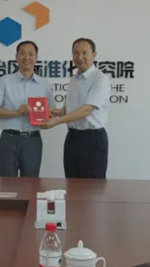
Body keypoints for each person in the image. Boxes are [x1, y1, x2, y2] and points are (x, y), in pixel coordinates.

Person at [41, 38, 111, 179]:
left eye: (84, 53)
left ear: (94, 55)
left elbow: (86, 109)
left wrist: (57, 121)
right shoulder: (74, 79)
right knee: (71, 182)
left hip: (92, 139)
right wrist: (55, 112)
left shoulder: (100, 79)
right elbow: (68, 109)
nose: (79, 57)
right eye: (75, 53)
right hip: (73, 138)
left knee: (92, 185)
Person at [0, 40, 54, 177]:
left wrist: (44, 117)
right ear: (16, 57)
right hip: (9, 139)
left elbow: (51, 113)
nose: (27, 58)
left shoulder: (45, 84)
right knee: (6, 183)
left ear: (36, 58)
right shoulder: (5, 81)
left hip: (33, 140)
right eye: (22, 53)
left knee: (31, 184)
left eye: (31, 54)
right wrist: (16, 112)